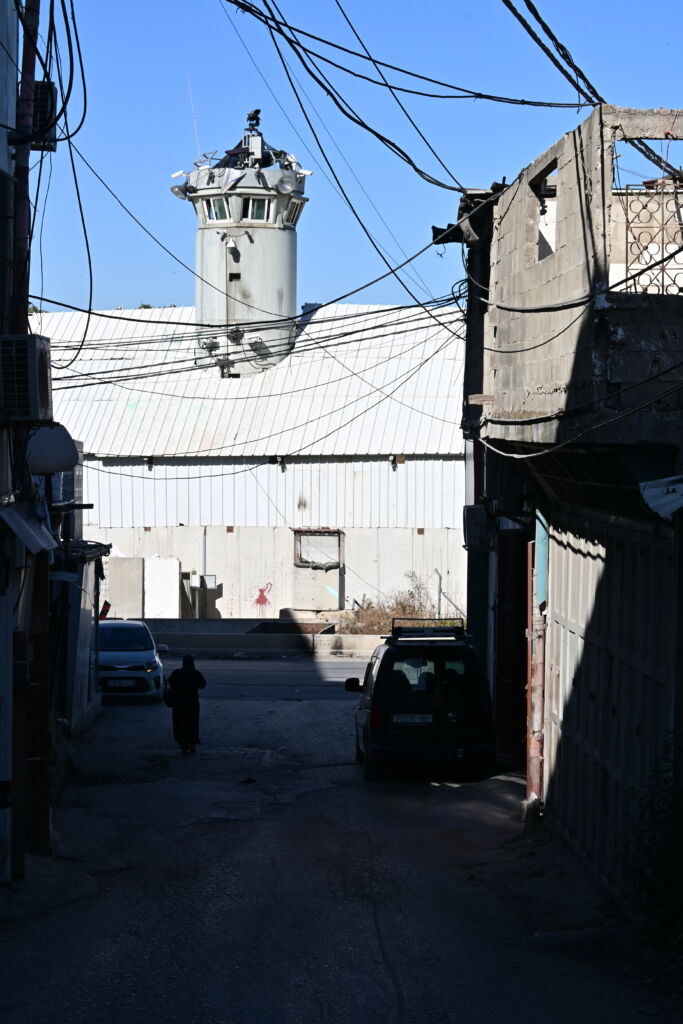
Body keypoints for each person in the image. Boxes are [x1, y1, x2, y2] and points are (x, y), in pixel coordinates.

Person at [166, 655, 206, 755]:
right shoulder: (195, 674)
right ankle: (192, 745)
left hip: (179, 704)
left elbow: (170, 682)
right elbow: (202, 685)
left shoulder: (176, 673)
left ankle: (184, 747)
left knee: (180, 725)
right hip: (192, 704)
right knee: (192, 724)